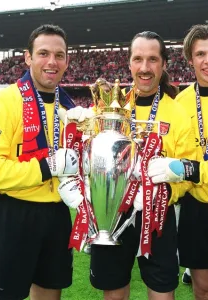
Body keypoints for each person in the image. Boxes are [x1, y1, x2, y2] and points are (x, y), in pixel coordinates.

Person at [60, 31, 195, 300]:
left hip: (157, 217)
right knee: (114, 292)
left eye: (153, 59)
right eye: (138, 59)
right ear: (129, 63)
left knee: (162, 293)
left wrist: (163, 192)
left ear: (164, 64)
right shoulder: (108, 107)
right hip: (110, 211)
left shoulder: (178, 113)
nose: (145, 68)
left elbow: (187, 171)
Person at [0, 24, 79, 300]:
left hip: (56, 216)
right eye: (43, 53)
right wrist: (48, 166)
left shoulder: (70, 110)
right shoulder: (1, 103)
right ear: (28, 57)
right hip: (12, 214)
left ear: (67, 60)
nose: (52, 62)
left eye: (60, 55)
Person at [148, 24, 208, 300]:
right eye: (200, 54)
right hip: (197, 208)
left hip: (197, 181)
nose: (207, 60)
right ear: (190, 59)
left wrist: (195, 170)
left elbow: (187, 167)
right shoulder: (179, 103)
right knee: (203, 287)